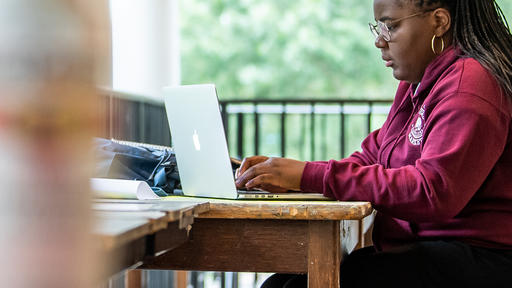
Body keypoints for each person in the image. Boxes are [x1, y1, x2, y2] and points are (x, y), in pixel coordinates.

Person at [235, 0, 512, 287]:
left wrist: (310, 176)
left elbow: (433, 191)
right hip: (430, 251)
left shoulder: (469, 86)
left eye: (391, 26)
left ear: (439, 22)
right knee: (279, 283)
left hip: (478, 260)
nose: (380, 40)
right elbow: (373, 156)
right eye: (378, 27)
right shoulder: (420, 82)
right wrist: (293, 176)